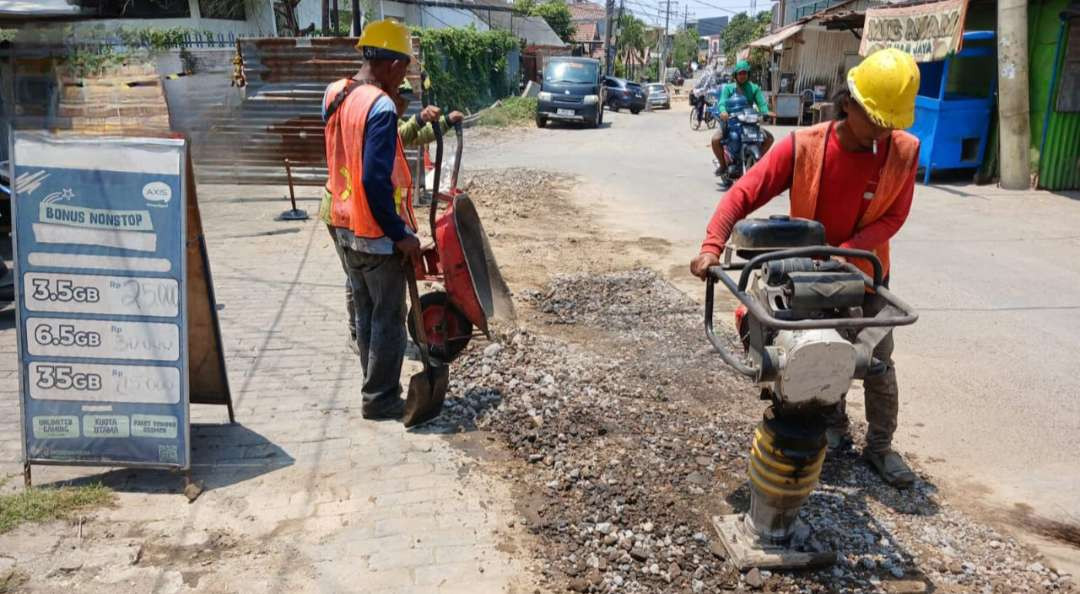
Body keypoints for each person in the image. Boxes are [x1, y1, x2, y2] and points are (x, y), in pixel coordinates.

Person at [689, 48, 922, 489]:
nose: (882, 131)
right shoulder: (805, 147)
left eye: (890, 123)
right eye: (874, 120)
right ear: (848, 103)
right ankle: (832, 427)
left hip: (867, 272)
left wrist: (848, 251)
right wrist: (711, 245)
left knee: (876, 361)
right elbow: (744, 192)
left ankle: (880, 448)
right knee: (815, 352)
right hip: (808, 278)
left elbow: (895, 217)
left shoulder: (903, 152)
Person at [320, 19, 455, 420]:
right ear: (393, 65)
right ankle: (380, 399)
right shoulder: (379, 107)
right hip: (372, 229)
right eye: (405, 69)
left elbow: (345, 152)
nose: (405, 79)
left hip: (338, 220)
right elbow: (373, 179)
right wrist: (400, 234)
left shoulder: (337, 91)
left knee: (365, 310)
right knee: (389, 318)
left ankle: (372, 386)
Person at [320, 102, 464, 358]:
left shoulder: (388, 118)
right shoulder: (368, 119)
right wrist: (420, 118)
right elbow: (401, 135)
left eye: (405, 99)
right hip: (341, 210)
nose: (402, 103)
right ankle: (356, 334)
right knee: (357, 278)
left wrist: (443, 124)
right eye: (399, 96)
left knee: (363, 279)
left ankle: (370, 338)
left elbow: (412, 136)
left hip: (363, 213)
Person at [711, 60, 774, 183]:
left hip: (749, 122)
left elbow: (761, 104)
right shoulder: (728, 88)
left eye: (745, 73)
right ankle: (723, 165)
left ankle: (757, 163)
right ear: (735, 75)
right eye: (740, 73)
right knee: (715, 140)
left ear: (748, 74)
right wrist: (723, 111)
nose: (742, 75)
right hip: (731, 121)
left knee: (769, 139)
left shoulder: (754, 88)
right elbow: (722, 102)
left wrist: (765, 112)